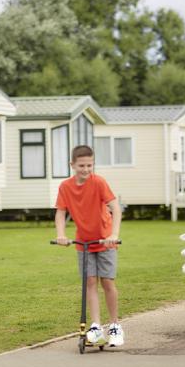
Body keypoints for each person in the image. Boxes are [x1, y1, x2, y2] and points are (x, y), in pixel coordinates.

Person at [55, 145, 123, 347]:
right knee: (90, 282)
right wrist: (61, 235)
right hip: (83, 241)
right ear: (72, 165)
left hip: (105, 240)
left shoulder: (99, 182)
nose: (85, 169)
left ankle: (114, 326)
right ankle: (95, 325)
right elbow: (60, 212)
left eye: (89, 165)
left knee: (107, 283)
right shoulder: (65, 187)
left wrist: (114, 234)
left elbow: (115, 208)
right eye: (81, 165)